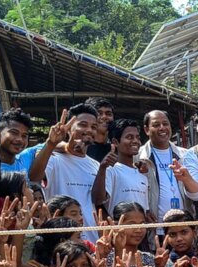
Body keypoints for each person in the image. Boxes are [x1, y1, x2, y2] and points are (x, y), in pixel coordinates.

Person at [29, 105, 101, 244]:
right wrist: (51, 143)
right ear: (69, 129)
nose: (89, 130)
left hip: (92, 241)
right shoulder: (54, 158)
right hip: (59, 239)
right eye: (83, 125)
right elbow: (34, 177)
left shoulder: (96, 165)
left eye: (93, 127)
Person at [138, 110, 198, 222]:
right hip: (155, 228)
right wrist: (143, 210)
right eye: (156, 125)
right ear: (147, 130)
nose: (162, 128)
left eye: (165, 124)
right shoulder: (139, 157)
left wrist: (187, 179)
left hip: (183, 227)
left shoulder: (186, 155)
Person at [93, 118, 150, 214]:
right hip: (120, 228)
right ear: (115, 142)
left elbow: (145, 209)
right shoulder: (111, 171)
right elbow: (98, 200)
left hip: (141, 228)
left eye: (137, 137)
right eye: (129, 137)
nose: (136, 141)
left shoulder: (142, 174)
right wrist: (102, 169)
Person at [0, 108, 39, 174]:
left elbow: (48, 144)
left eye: (24, 135)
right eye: (14, 133)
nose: (20, 139)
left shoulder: (25, 157)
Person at [83, 97, 115, 163]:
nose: (104, 117)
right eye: (99, 113)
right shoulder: (81, 147)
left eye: (108, 114)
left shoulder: (115, 149)